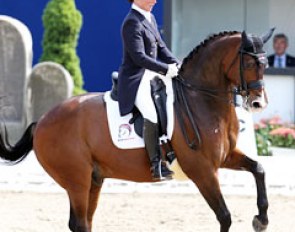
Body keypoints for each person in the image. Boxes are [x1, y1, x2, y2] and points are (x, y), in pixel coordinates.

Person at [117, 0, 179, 180]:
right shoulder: (132, 22)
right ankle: (156, 164)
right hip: (136, 78)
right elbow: (139, 57)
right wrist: (165, 69)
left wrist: (178, 65)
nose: (154, 0)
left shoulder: (149, 18)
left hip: (152, 74)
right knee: (151, 113)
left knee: (172, 103)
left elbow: (162, 49)